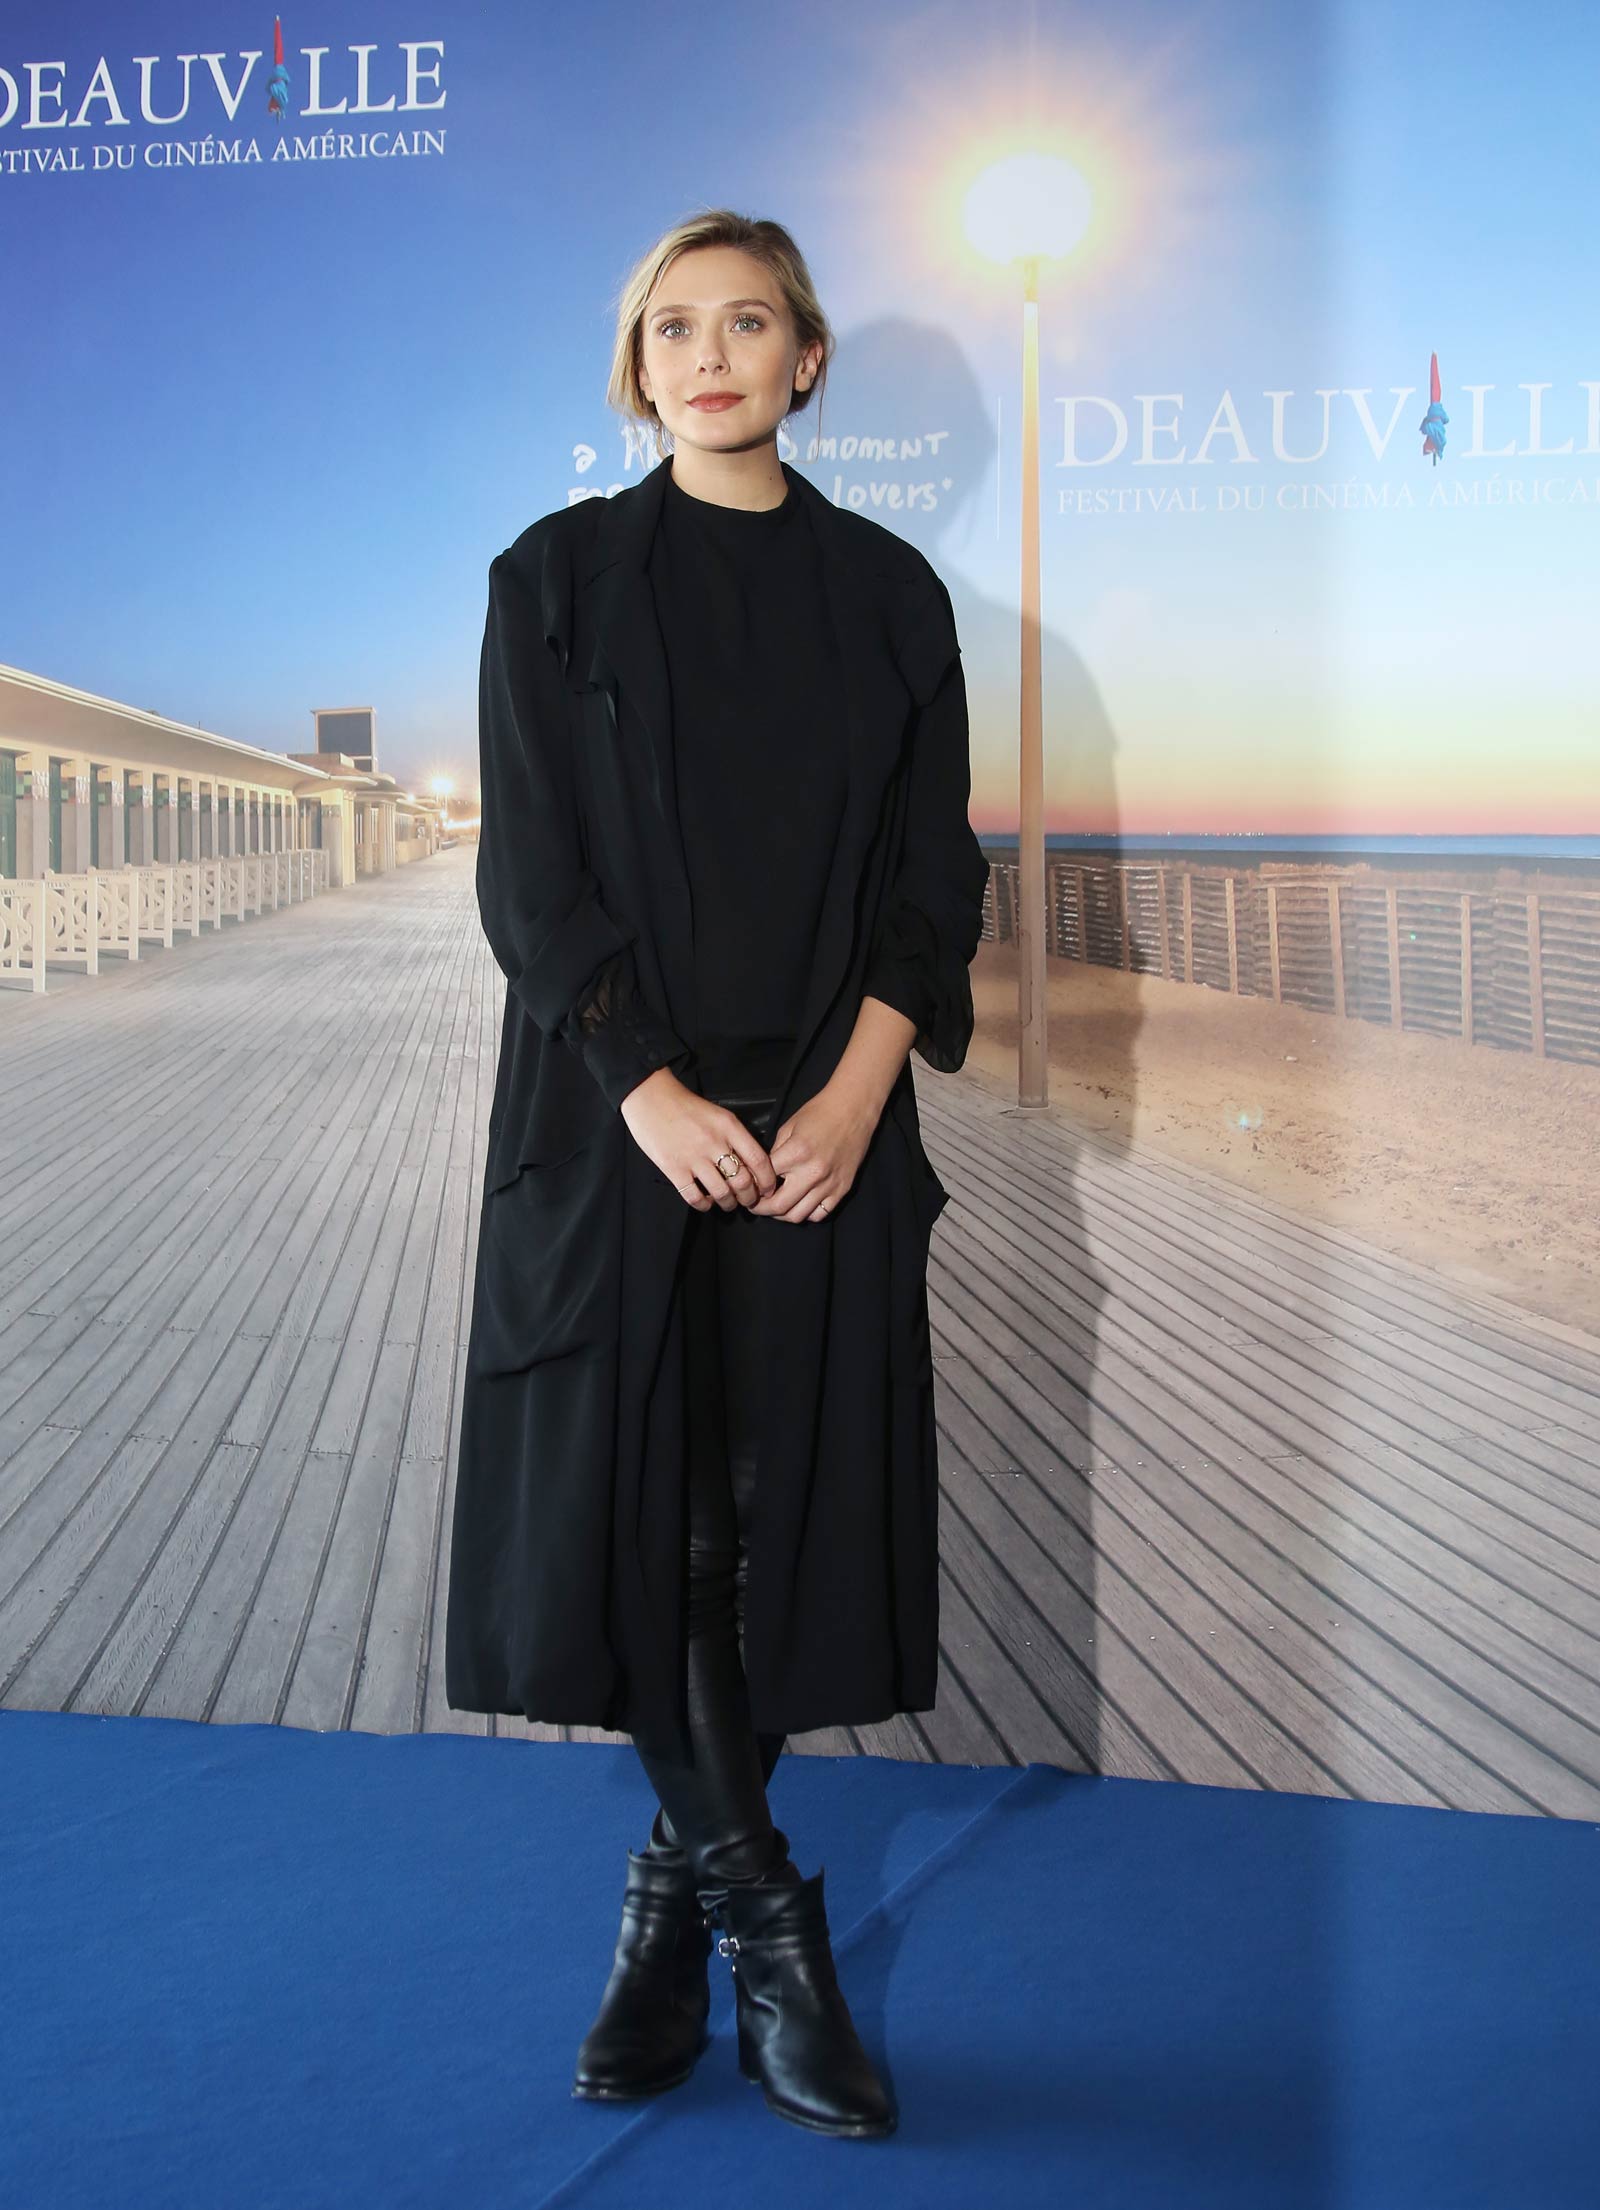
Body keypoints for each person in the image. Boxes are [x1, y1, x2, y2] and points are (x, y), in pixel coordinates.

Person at [445, 209, 990, 2140]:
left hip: (822, 1118)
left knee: (766, 1521)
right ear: (636, 367)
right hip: (626, 1126)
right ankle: (770, 1924)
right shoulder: (557, 579)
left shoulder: (891, 592)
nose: (708, 352)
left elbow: (939, 885)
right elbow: (532, 883)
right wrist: (647, 1087)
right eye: (671, 326)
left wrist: (852, 1100)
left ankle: (676, 1911)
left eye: (746, 321)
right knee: (661, 1520)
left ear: (806, 359)